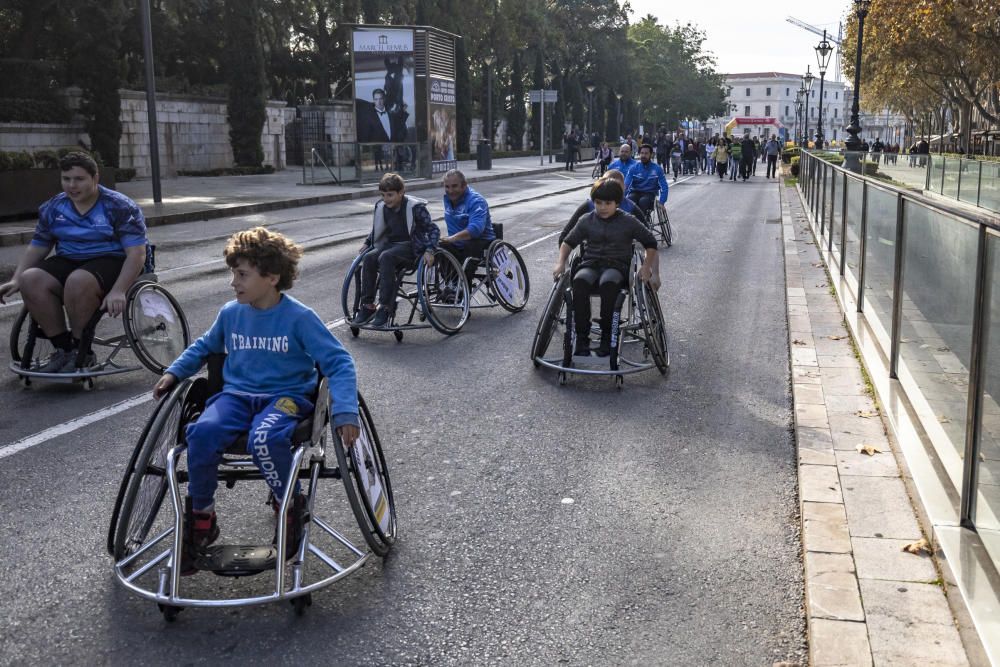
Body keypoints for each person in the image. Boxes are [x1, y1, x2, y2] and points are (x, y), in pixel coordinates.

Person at [152, 227, 359, 574]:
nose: (234, 282)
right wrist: (175, 372)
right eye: (233, 273)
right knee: (200, 433)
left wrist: (345, 412)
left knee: (264, 437)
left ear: (272, 277)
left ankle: (288, 504)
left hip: (286, 398)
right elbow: (204, 347)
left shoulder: (299, 317)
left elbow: (339, 362)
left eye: (243, 274)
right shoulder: (231, 314)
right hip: (236, 396)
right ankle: (202, 515)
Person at [0, 152, 147, 373]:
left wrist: (119, 290)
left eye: (79, 179)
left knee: (77, 281)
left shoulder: (119, 206)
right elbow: (38, 246)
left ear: (95, 178)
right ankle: (64, 350)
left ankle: (82, 351)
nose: (72, 185)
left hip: (113, 260)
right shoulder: (54, 207)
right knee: (30, 278)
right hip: (70, 258)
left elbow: (137, 254)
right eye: (66, 179)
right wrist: (16, 278)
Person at [552, 179, 658, 358]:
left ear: (617, 203)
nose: (602, 207)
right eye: (598, 203)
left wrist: (647, 267)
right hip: (591, 263)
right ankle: (582, 338)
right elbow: (568, 242)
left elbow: (650, 243)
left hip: (616, 266)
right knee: (579, 281)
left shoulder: (628, 221)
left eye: (608, 203)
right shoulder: (586, 220)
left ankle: (607, 338)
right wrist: (561, 262)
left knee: (608, 284)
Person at [352, 173, 440, 328]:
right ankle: (367, 305)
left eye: (390, 195)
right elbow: (378, 230)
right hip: (390, 245)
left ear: (401, 192)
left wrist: (430, 249)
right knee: (369, 258)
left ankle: (386, 307)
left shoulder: (415, 208)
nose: (386, 199)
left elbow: (433, 229)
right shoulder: (382, 207)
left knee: (386, 257)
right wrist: (367, 242)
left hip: (411, 247)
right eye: (383, 195)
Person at [439, 169, 496, 286]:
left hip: (480, 242)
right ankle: (450, 284)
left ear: (464, 185)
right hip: (457, 243)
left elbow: (476, 229)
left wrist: (453, 238)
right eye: (447, 187)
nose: (450, 191)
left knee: (469, 246)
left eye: (454, 186)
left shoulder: (476, 201)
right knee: (440, 246)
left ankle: (463, 286)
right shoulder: (448, 200)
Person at [558, 169, 641, 245]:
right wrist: (564, 260)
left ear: (624, 188)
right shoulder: (588, 206)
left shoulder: (630, 207)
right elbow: (565, 235)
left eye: (616, 188)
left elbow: (649, 239)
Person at [624, 144, 669, 216]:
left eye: (646, 153)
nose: (643, 155)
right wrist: (621, 199)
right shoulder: (633, 168)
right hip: (635, 192)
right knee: (629, 200)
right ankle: (631, 220)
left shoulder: (657, 169)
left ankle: (643, 221)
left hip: (649, 193)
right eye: (642, 153)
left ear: (651, 155)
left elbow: (664, 186)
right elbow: (626, 185)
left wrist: (662, 202)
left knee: (643, 201)